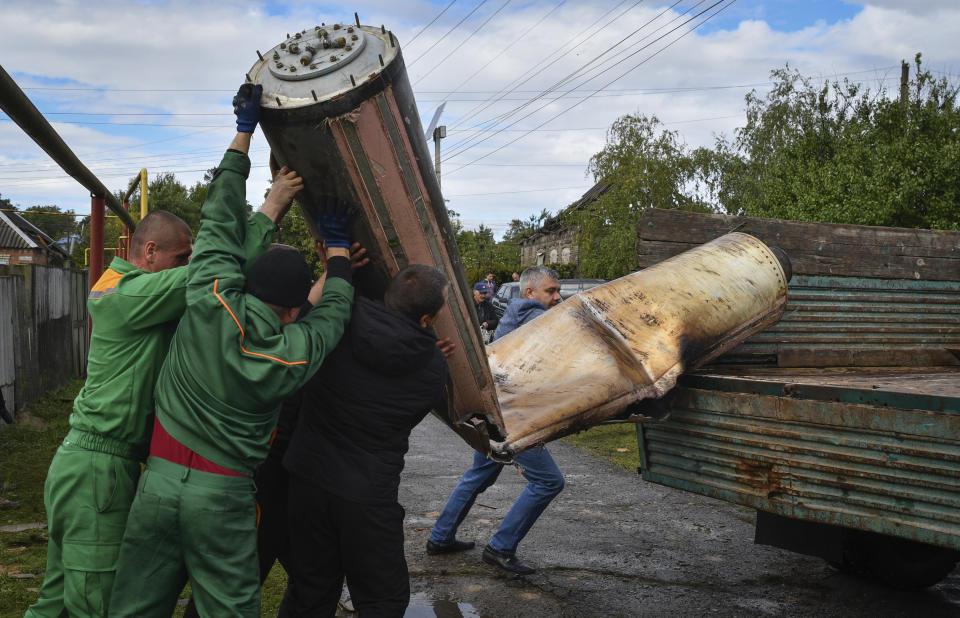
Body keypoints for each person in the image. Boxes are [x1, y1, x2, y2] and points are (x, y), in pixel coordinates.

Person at [108, 83, 356, 618]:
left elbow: (220, 217)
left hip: (158, 484)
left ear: (247, 284)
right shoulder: (290, 353)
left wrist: (243, 133)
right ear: (293, 310)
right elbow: (331, 319)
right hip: (222, 499)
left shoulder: (209, 294)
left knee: (133, 606)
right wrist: (337, 254)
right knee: (228, 608)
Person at [25, 183, 280, 618]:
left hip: (85, 463)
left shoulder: (124, 288)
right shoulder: (131, 295)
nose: (188, 264)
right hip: (100, 470)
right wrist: (271, 208)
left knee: (57, 601)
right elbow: (213, 276)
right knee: (99, 605)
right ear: (149, 253)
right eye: (181, 257)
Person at [282, 264, 452, 617]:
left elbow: (307, 327)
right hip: (367, 498)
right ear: (426, 320)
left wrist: (338, 266)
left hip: (307, 480)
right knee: (382, 599)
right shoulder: (432, 368)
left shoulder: (337, 321)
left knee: (309, 589)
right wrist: (435, 357)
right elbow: (412, 410)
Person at [427, 266, 563, 575]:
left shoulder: (515, 311)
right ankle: (501, 548)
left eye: (558, 290)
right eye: (551, 291)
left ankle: (440, 537)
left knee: (479, 474)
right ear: (530, 292)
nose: (558, 296)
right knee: (548, 482)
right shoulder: (533, 313)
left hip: (495, 411)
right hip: (514, 416)